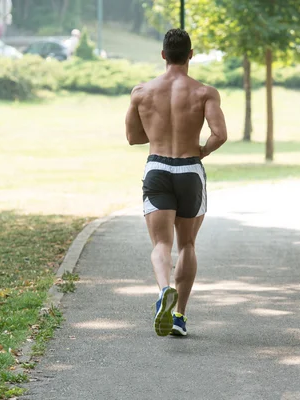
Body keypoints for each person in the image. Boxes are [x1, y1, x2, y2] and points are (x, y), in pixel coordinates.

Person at [125, 29, 228, 337]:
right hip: (189, 170)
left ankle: (162, 291)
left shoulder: (141, 92)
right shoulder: (205, 92)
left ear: (163, 55)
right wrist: (203, 150)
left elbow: (132, 137)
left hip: (157, 167)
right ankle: (180, 315)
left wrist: (157, 136)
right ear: (191, 55)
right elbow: (219, 134)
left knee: (161, 244)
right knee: (187, 244)